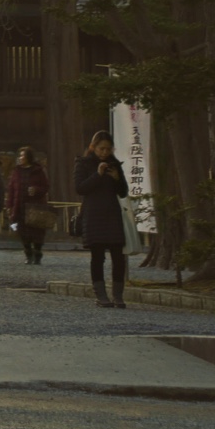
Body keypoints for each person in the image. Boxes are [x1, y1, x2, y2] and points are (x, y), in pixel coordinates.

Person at [75, 130, 130, 307]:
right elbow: (80, 188)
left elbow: (123, 191)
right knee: (97, 256)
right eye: (101, 149)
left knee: (118, 256)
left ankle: (118, 295)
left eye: (108, 149)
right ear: (93, 147)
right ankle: (101, 296)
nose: (105, 152)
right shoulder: (83, 163)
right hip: (93, 214)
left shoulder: (114, 164)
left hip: (112, 213)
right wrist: (97, 175)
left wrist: (116, 178)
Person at [7, 145, 52, 265]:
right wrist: (9, 205)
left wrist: (36, 190)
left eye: (23, 155)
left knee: (37, 232)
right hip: (20, 205)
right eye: (20, 155)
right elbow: (11, 189)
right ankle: (28, 253)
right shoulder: (16, 172)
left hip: (35, 206)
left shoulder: (38, 171)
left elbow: (46, 186)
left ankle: (37, 252)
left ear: (28, 157)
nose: (20, 158)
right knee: (22, 231)